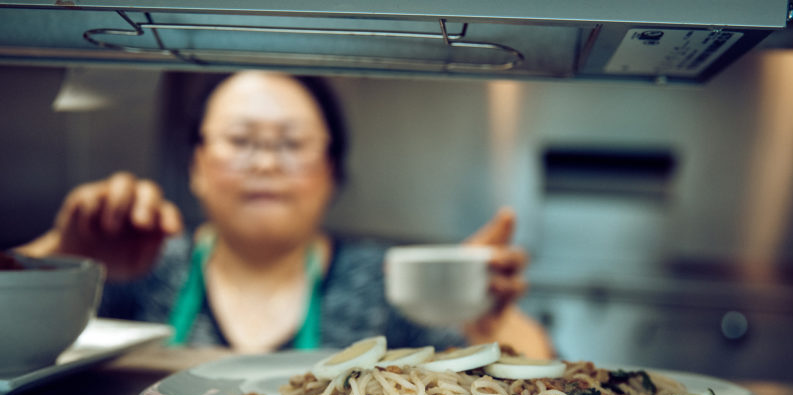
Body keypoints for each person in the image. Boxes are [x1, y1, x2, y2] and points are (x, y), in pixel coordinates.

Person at [17, 70, 553, 358]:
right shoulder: (142, 263)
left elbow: (545, 374)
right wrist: (56, 260)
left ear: (332, 172)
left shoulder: (385, 282)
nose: (267, 162)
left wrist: (491, 322)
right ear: (197, 165)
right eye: (241, 140)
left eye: (292, 143)